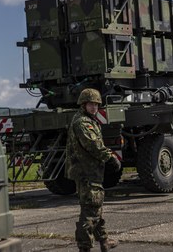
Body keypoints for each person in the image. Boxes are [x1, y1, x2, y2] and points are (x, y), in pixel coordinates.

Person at [65, 88, 120, 252]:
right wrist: (110, 157)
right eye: (91, 104)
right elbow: (93, 145)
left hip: (90, 171)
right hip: (86, 172)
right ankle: (85, 247)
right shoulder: (82, 122)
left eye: (96, 104)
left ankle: (104, 241)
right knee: (90, 213)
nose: (94, 107)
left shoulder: (88, 119)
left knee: (95, 208)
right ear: (84, 104)